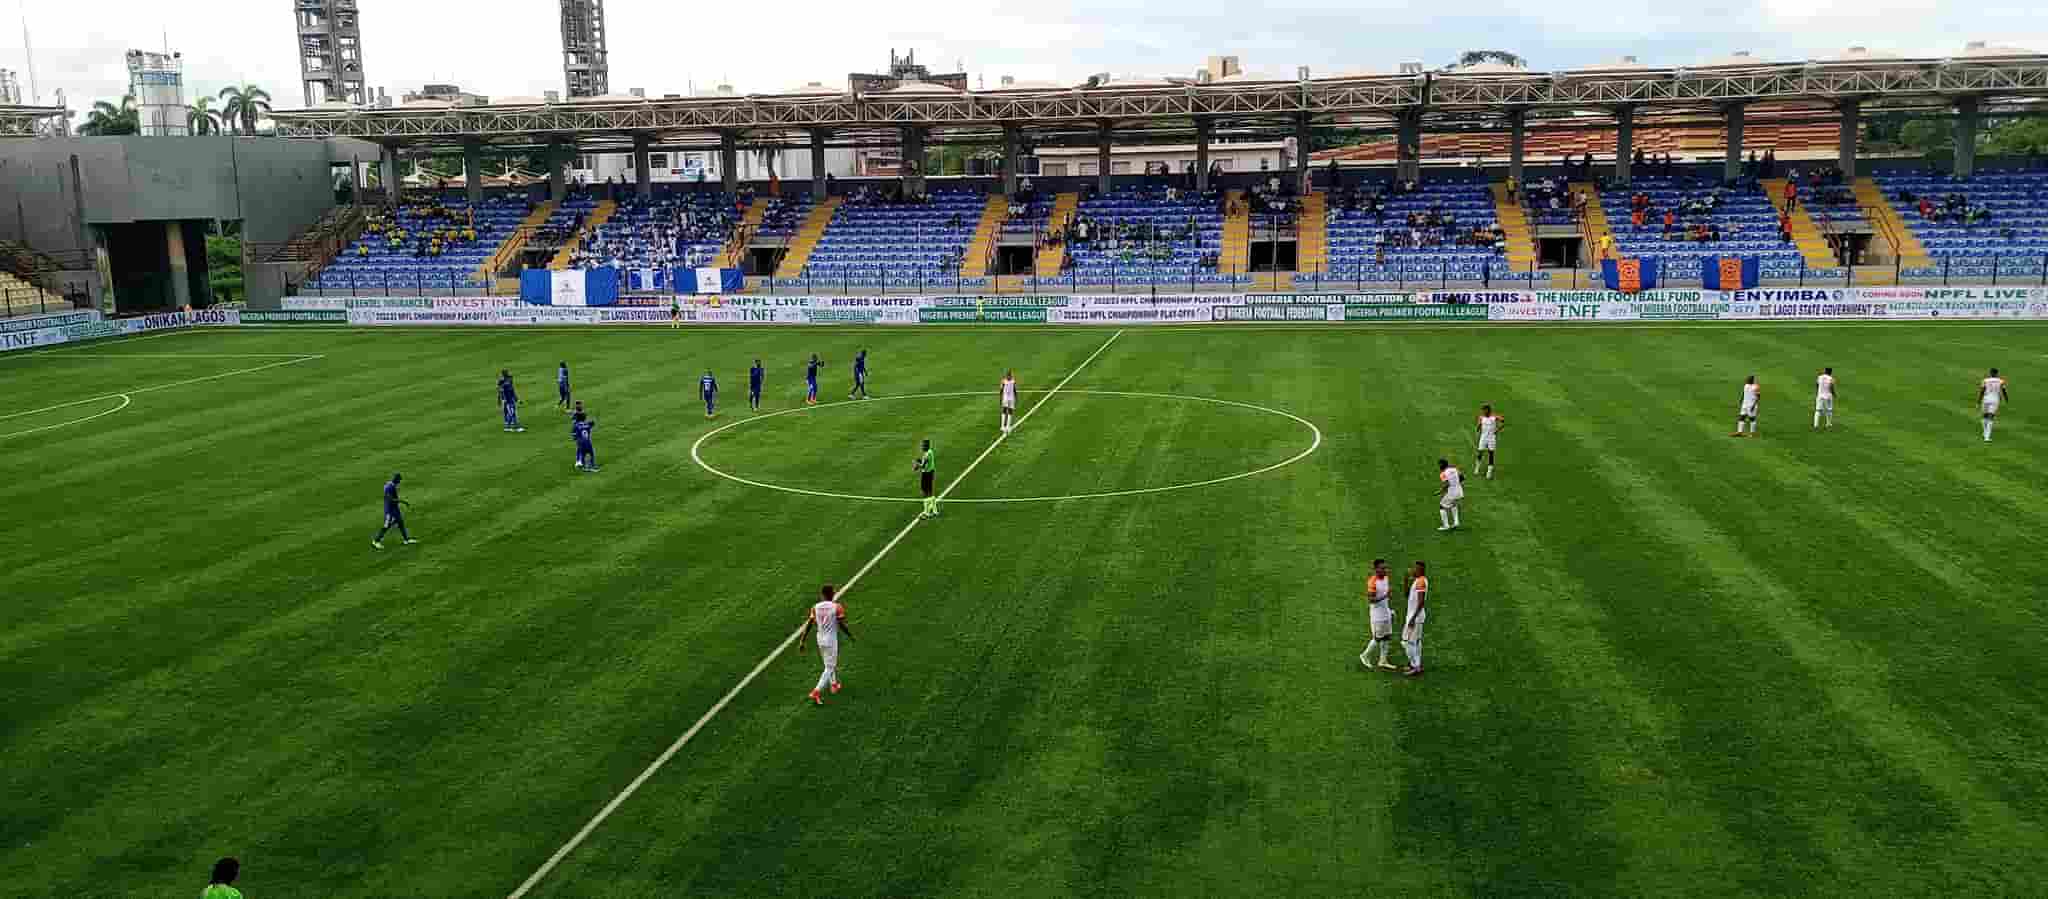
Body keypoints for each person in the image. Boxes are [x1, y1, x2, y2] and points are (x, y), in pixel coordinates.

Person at [798, 584, 853, 705]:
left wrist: (802, 640)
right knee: (830, 667)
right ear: (832, 594)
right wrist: (850, 635)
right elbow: (841, 624)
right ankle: (816, 691)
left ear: (822, 595)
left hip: (820, 639)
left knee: (827, 663)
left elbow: (809, 624)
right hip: (831, 640)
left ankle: (834, 685)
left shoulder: (815, 607)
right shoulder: (837, 607)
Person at [1358, 558, 1398, 671]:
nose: (1385, 570)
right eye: (1382, 568)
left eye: (1386, 567)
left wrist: (1389, 610)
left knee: (1387, 636)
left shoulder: (1386, 578)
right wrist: (1386, 595)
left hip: (1386, 613)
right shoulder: (1372, 582)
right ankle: (1365, 655)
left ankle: (1383, 660)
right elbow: (1371, 600)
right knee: (1378, 638)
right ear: (1376, 569)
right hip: (1377, 616)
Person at [1400, 560, 1428, 677]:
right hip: (1415, 617)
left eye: (1415, 569)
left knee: (1406, 642)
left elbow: (1421, 602)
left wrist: (1412, 618)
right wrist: (1406, 581)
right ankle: (1417, 665)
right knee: (1416, 642)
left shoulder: (1421, 582)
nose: (1413, 570)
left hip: (1415, 618)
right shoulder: (1417, 581)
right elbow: (1407, 595)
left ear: (1421, 570)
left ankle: (1415, 666)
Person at [373, 473, 415, 550]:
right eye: (399, 480)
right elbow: (390, 499)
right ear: (396, 480)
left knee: (400, 522)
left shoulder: (390, 485)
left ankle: (406, 540)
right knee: (386, 526)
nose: (400, 482)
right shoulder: (389, 487)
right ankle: (376, 541)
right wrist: (403, 501)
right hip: (389, 510)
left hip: (395, 509)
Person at [1474, 404, 1503, 480]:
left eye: (1484, 410)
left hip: (1491, 438)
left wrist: (1497, 430)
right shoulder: (1481, 417)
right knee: (1480, 452)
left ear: (1488, 410)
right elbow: (1479, 425)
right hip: (1483, 437)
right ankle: (1477, 467)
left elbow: (1502, 421)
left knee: (1491, 454)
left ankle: (1489, 472)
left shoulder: (1494, 417)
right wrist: (1478, 427)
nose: (1483, 412)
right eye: (1483, 410)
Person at [1979, 367, 2009, 442]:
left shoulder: (1985, 380)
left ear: (1990, 373)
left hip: (1985, 399)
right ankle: (1987, 437)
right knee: (1990, 417)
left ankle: (1985, 433)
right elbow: (2003, 390)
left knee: (1984, 416)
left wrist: (1979, 400)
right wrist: (2006, 399)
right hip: (1995, 400)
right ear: (1997, 373)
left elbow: (1982, 391)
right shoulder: (2001, 381)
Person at [1436, 459, 1464, 531]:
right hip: (1459, 490)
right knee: (1453, 504)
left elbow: (1447, 484)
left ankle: (1446, 526)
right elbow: (1462, 477)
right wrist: (1456, 483)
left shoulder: (1443, 474)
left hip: (1452, 492)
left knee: (1442, 506)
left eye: (1439, 465)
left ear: (1441, 465)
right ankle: (1456, 522)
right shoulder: (1454, 469)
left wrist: (1440, 491)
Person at [914, 439, 938, 518]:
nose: (922, 447)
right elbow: (925, 463)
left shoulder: (927, 454)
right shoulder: (930, 452)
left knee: (925, 492)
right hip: (930, 473)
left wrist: (917, 465)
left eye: (923, 445)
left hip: (926, 474)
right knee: (930, 491)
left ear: (926, 446)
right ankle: (935, 511)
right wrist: (920, 461)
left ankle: (926, 513)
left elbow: (923, 466)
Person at [571, 405, 598, 472]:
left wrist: (575, 438)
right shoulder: (587, 424)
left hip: (581, 442)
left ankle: (584, 466)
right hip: (588, 442)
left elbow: (574, 435)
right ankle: (592, 465)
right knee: (591, 453)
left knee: (583, 454)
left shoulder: (576, 425)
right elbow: (592, 423)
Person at [999, 369, 1019, 434]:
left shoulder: (1013, 381)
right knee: (1004, 410)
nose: (1010, 376)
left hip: (1011, 398)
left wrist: (1016, 397)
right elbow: (1001, 390)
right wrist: (1001, 398)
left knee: (1010, 411)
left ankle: (1007, 426)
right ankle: (1002, 426)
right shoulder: (1004, 381)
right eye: (1009, 375)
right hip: (1006, 398)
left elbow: (1014, 390)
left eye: (1010, 375)